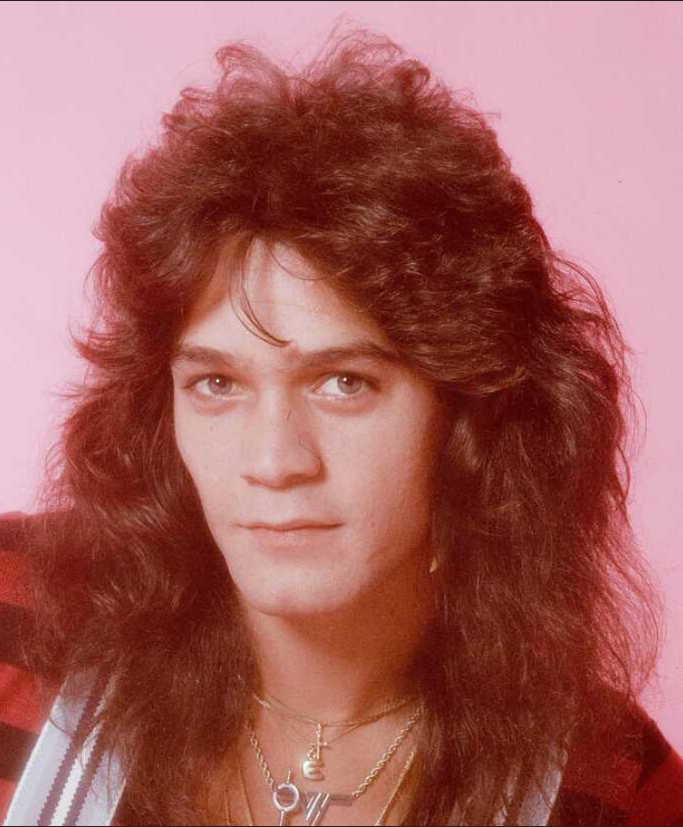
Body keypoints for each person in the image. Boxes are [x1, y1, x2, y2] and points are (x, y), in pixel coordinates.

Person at [1, 27, 682, 827]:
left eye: (343, 383)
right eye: (217, 383)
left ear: (467, 415)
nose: (273, 460)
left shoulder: (614, 785)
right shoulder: (16, 616)